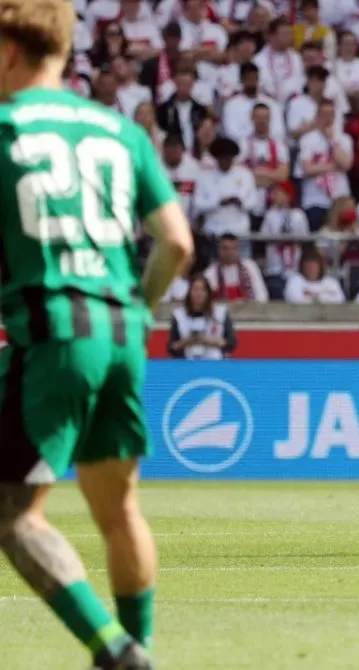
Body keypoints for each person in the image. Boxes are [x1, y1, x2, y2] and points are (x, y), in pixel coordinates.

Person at [0, 1, 194, 668]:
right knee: (119, 510)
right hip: (122, 331)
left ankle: (115, 651)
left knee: (12, 513)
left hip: (54, 331)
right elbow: (177, 243)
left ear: (9, 51)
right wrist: (139, 309)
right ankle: (141, 647)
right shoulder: (120, 131)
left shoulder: (5, 127)